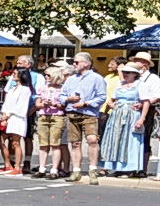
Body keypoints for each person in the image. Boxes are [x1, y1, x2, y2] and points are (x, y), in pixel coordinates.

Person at [60, 52, 106, 184]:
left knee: (92, 140)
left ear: (86, 63)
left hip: (89, 113)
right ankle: (76, 171)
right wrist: (68, 99)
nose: (74, 65)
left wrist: (86, 103)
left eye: (76, 62)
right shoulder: (70, 79)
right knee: (75, 143)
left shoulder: (97, 78)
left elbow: (102, 97)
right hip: (72, 113)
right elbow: (62, 95)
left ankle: (92, 170)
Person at [98, 62, 146, 176]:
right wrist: (111, 105)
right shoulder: (120, 84)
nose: (125, 74)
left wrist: (141, 119)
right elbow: (111, 99)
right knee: (115, 140)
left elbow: (146, 102)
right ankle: (116, 167)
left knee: (129, 141)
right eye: (124, 72)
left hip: (131, 115)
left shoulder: (140, 85)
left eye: (127, 73)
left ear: (135, 74)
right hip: (117, 115)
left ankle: (129, 168)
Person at [32, 67, 70, 178]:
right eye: (46, 75)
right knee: (43, 144)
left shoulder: (63, 89)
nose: (46, 77)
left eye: (48, 75)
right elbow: (37, 103)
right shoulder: (43, 88)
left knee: (55, 144)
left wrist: (54, 104)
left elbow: (64, 105)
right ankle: (42, 168)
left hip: (57, 116)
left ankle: (54, 169)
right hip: (44, 116)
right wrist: (43, 104)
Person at [0, 66, 33, 175]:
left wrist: (8, 115)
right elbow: (7, 103)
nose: (13, 74)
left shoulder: (25, 89)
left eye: (15, 73)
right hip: (8, 117)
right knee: (1, 140)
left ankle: (17, 167)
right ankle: (8, 164)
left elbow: (20, 106)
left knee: (15, 142)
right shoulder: (13, 88)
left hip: (17, 117)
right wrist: (4, 114)